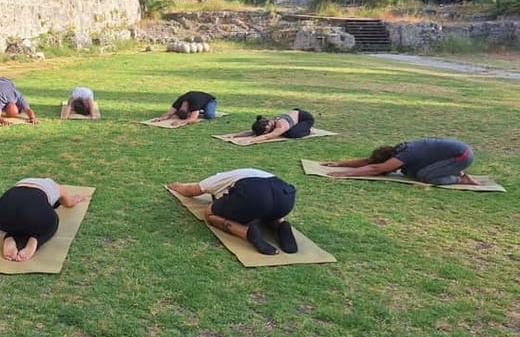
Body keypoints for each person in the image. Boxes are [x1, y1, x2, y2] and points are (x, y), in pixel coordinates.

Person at [168, 168, 298, 255]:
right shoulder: (247, 172)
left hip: (254, 195)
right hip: (285, 198)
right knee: (267, 207)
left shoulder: (216, 180)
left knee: (209, 213)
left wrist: (177, 186)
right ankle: (281, 225)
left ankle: (248, 233)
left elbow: (190, 191)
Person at [0, 178, 87, 262]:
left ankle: (10, 237)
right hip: (31, 212)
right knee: (52, 222)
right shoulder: (57, 187)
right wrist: (75, 199)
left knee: (21, 221)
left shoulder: (23, 182)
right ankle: (35, 241)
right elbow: (69, 203)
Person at [325, 138, 478, 185]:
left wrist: (346, 174)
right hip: (451, 154)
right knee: (410, 172)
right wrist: (339, 164)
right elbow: (370, 162)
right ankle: (451, 169)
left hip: (462, 155)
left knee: (426, 176)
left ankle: (461, 178)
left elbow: (376, 168)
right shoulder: (397, 150)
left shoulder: (404, 156)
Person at [230, 108, 315, 143]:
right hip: (295, 113)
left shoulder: (280, 125)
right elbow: (252, 132)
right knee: (284, 132)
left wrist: (250, 141)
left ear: (267, 128)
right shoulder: (268, 123)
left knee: (291, 134)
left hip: (305, 118)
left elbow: (268, 136)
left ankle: (308, 130)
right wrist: (235, 135)